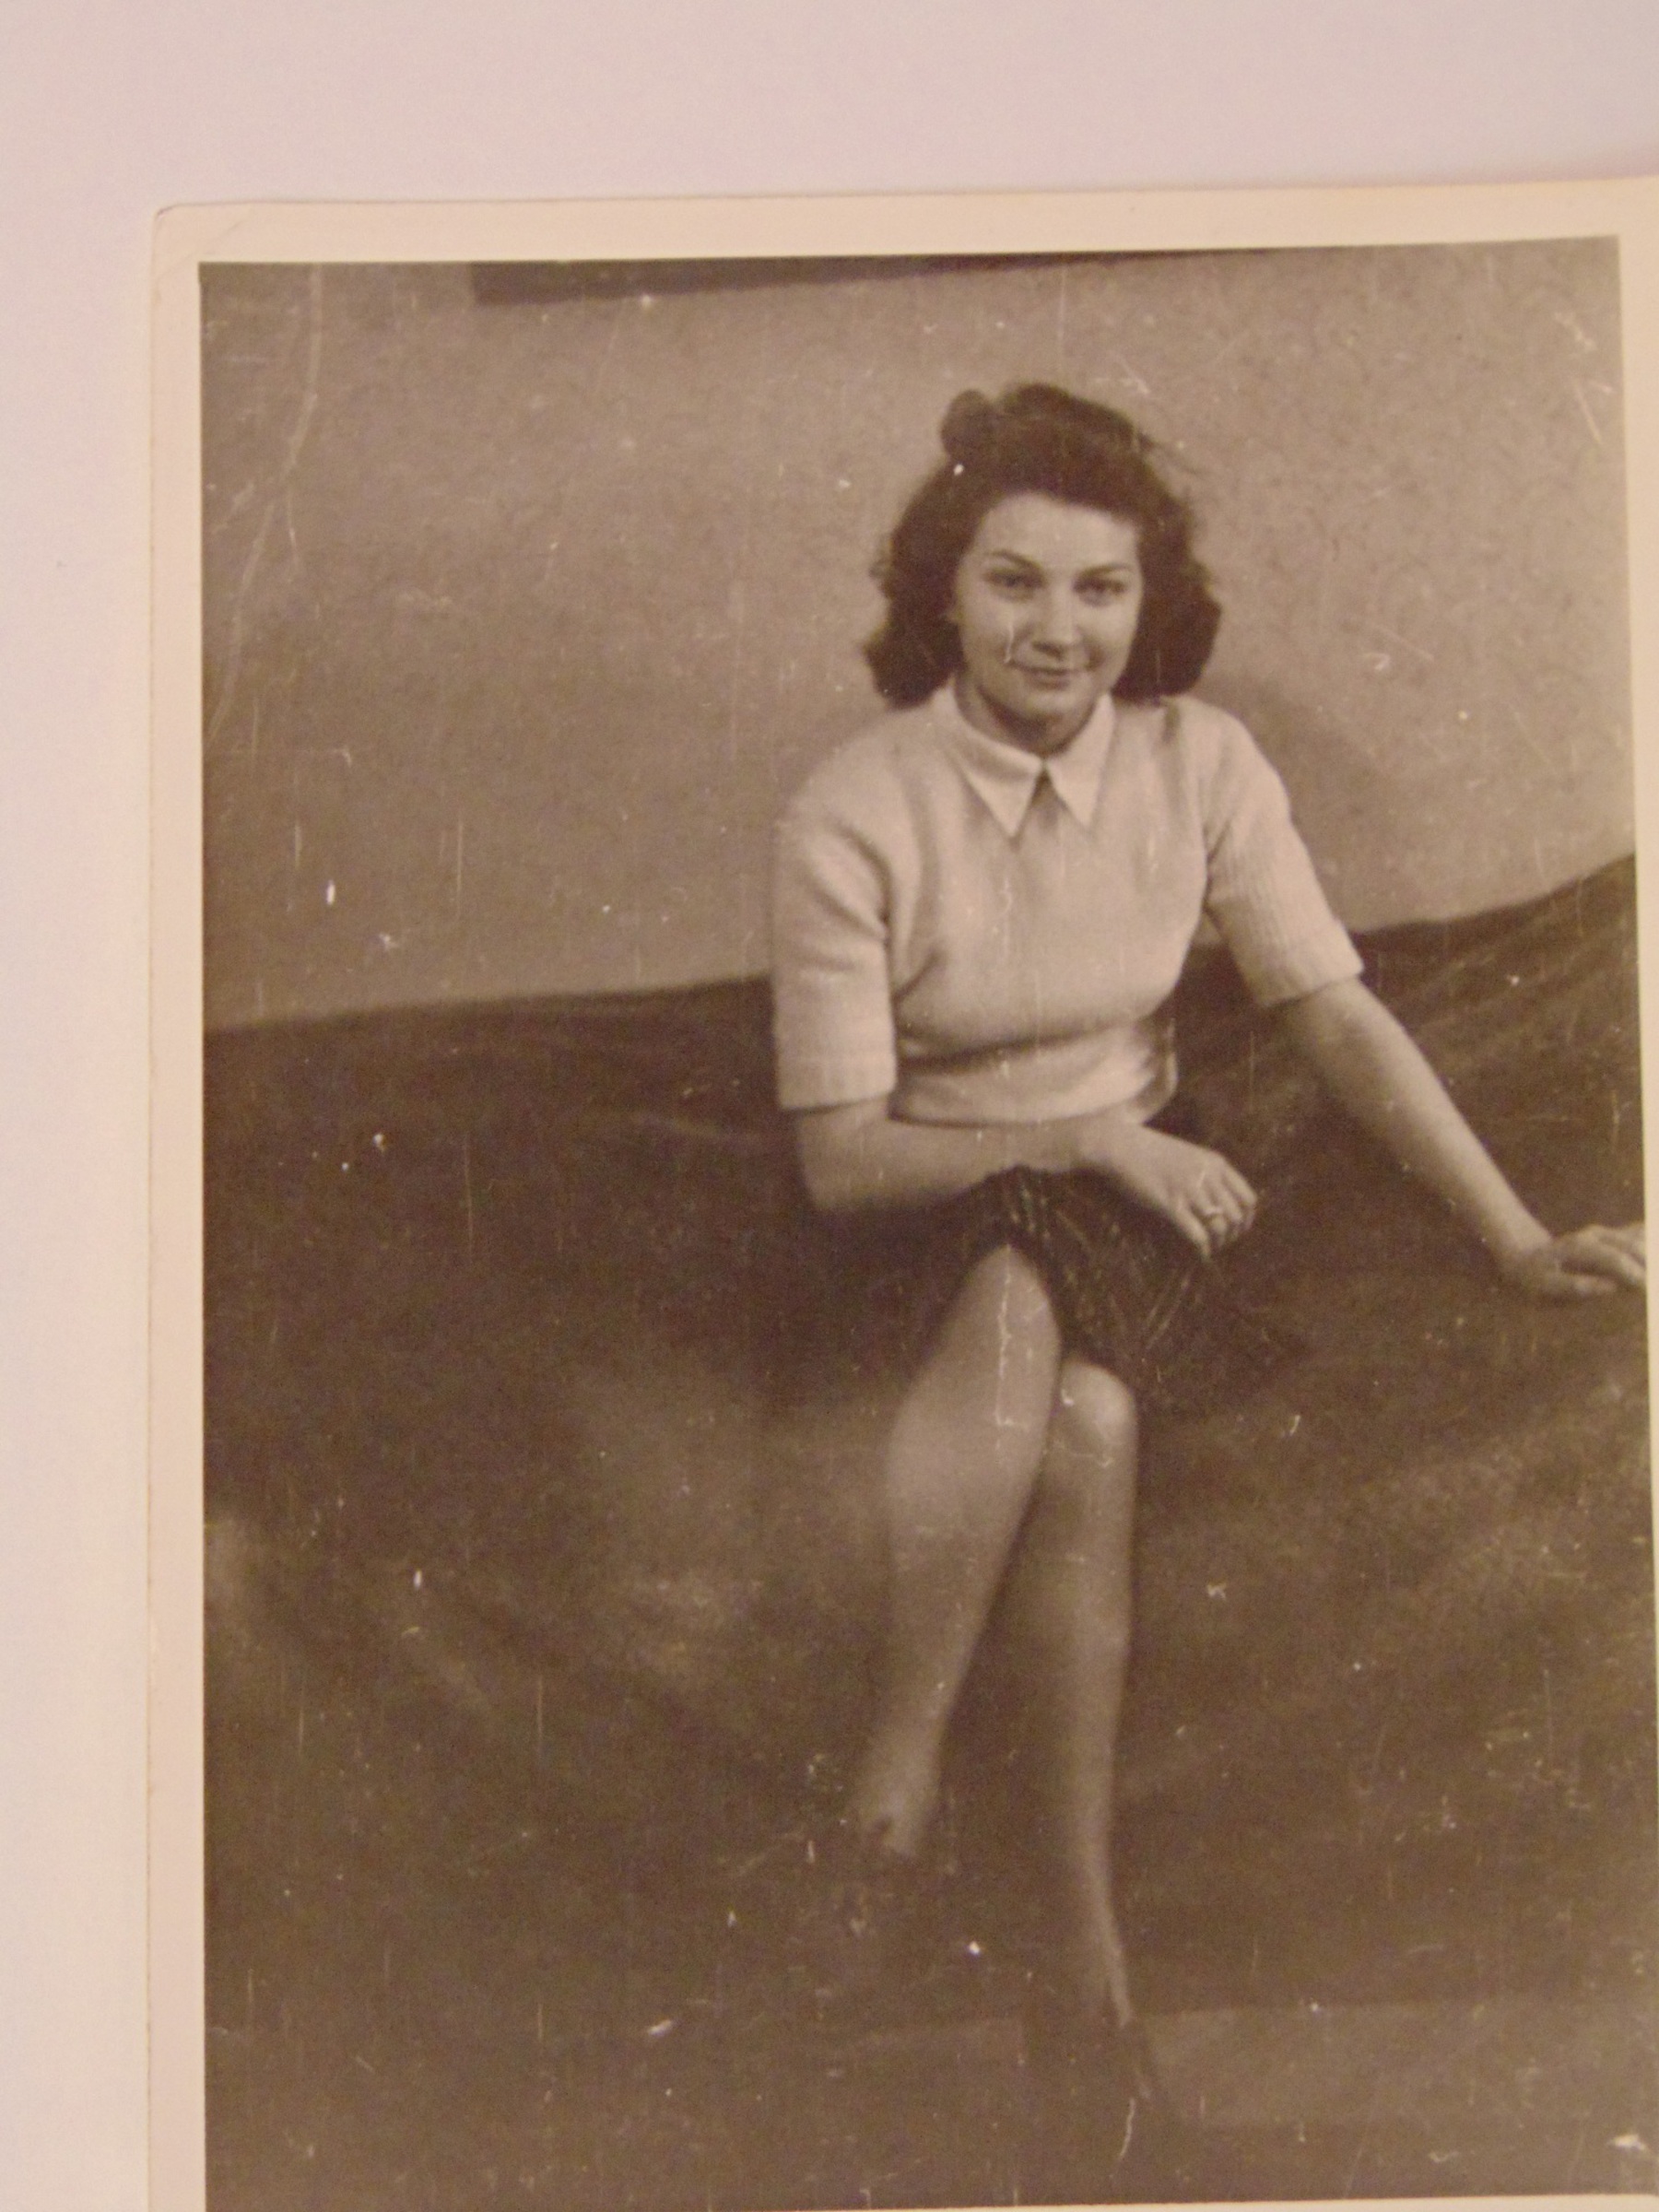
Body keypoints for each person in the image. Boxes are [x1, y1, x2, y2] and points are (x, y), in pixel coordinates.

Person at [769, 382, 1643, 2150]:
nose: (1059, 630)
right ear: (943, 593)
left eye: (1101, 589)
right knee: (1062, 1374)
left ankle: (896, 1822)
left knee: (1076, 1375)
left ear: (1147, 603)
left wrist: (1513, 1231)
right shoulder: (853, 809)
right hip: (922, 1213)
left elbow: (1336, 1016)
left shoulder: (1201, 764)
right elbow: (844, 1160)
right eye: (1014, 581)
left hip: (1134, 1211)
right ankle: (1063, 1954)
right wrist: (1088, 1141)